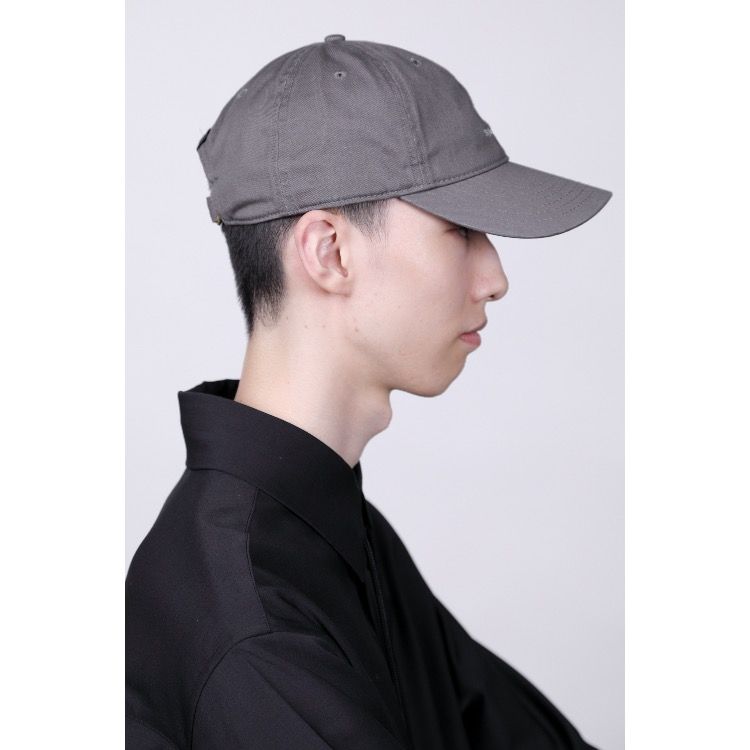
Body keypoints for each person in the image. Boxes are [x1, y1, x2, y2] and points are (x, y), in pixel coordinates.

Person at [126, 34, 612, 750]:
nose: (495, 278)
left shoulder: (328, 530)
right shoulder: (258, 636)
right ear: (329, 252)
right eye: (460, 230)